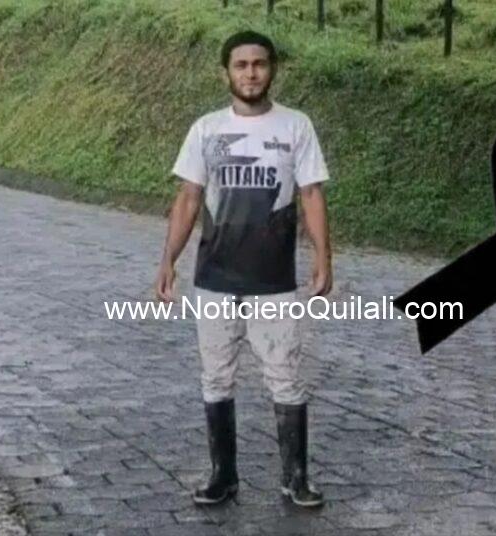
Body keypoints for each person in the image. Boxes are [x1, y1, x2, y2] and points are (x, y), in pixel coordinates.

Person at [154, 30, 332, 508]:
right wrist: (168, 260)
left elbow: (311, 194)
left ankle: (296, 478)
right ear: (226, 73)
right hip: (214, 278)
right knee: (216, 377)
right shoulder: (206, 130)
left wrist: (323, 258)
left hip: (274, 281)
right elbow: (188, 198)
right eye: (241, 65)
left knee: (286, 376)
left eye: (259, 63)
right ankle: (223, 476)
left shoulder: (295, 126)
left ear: (272, 69)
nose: (251, 73)